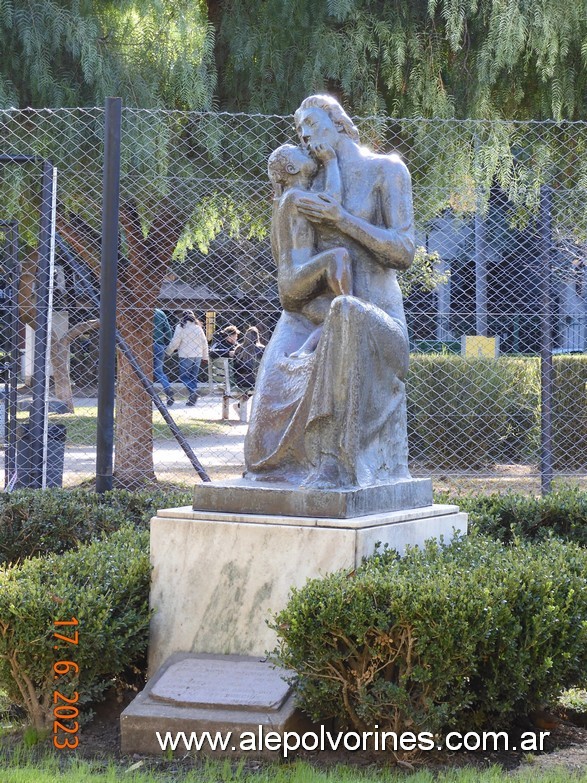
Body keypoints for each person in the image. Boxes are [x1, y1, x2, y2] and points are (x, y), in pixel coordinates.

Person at [244, 94, 415, 489]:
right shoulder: (306, 183)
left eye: (313, 126)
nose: (305, 137)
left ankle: (333, 462)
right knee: (262, 436)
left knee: (346, 315)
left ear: (338, 123)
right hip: (313, 317)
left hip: (377, 323)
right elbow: (292, 282)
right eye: (300, 133)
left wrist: (344, 221)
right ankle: (280, 471)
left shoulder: (387, 170)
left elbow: (403, 252)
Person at [267, 142, 352, 356]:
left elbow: (275, 249)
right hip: (296, 277)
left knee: (332, 319)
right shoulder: (294, 196)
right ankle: (351, 306)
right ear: (292, 169)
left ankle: (306, 349)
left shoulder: (284, 201)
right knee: (337, 257)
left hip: (291, 282)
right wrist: (330, 161)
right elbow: (332, 202)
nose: (308, 151)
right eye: (301, 153)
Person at [166, 311, 209, 406]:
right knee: (193, 377)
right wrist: (205, 356)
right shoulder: (198, 327)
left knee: (184, 376)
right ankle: (192, 398)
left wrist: (168, 352)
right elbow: (204, 342)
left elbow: (175, 342)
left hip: (185, 355)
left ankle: (194, 391)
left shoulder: (181, 327)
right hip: (198, 355)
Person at [232, 326, 265, 393]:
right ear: (257, 337)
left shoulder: (238, 349)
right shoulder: (262, 349)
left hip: (239, 381)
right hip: (256, 381)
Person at [153, 308, 174, 406]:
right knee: (159, 371)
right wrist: (166, 343)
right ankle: (167, 388)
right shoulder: (160, 313)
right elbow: (168, 330)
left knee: (141, 370)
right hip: (159, 344)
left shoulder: (138, 310)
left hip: (144, 344)